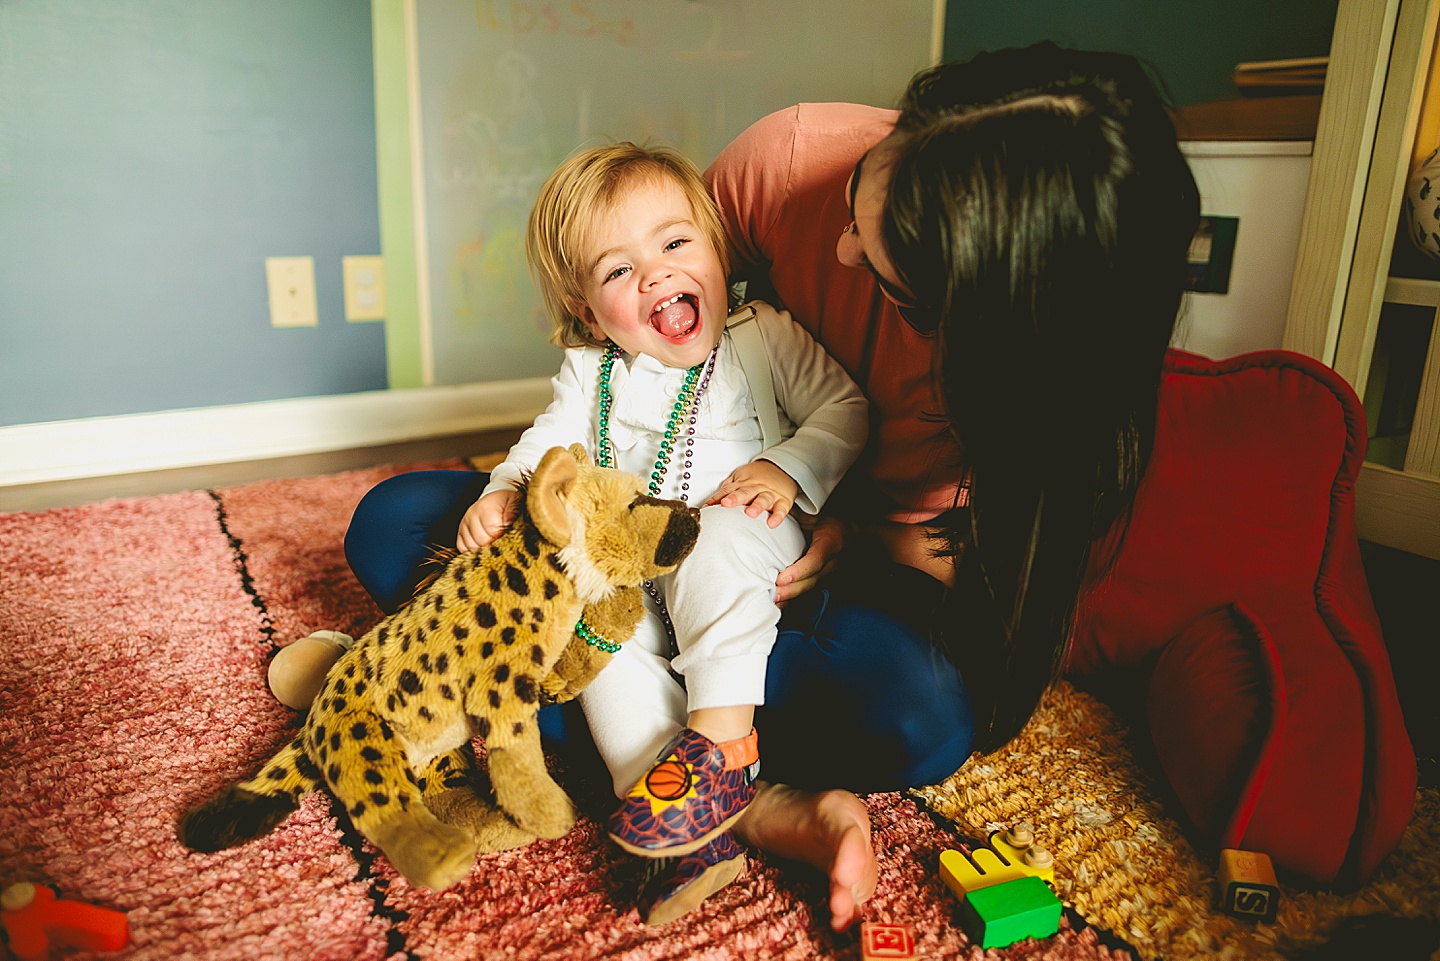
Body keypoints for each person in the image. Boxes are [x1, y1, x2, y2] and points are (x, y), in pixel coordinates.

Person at [272, 142, 869, 925]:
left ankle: (724, 742)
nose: (654, 274)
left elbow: (846, 409)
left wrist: (790, 469)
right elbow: (547, 445)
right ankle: (690, 829)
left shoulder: (765, 338)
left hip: (745, 549)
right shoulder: (592, 372)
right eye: (618, 271)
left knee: (713, 539)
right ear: (589, 311)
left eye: (675, 243)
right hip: (632, 583)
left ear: (719, 254)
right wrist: (499, 492)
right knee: (603, 659)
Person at [705, 41, 1199, 931]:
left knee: (921, 716)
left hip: (841, 570)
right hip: (699, 506)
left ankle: (653, 732)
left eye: (893, 285)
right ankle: (738, 781)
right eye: (862, 190)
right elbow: (630, 328)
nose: (844, 248)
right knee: (395, 528)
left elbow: (973, 570)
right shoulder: (782, 160)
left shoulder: (1052, 383)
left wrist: (851, 534)